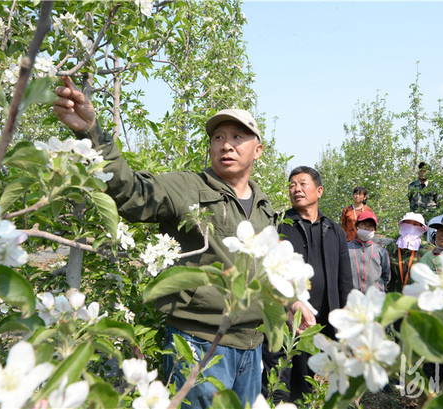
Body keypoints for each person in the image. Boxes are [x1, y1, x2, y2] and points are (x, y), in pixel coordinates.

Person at [53, 76, 277, 408]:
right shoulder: (190, 187)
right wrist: (92, 134)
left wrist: (290, 301)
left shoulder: (266, 208)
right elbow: (132, 191)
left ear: (257, 150)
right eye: (218, 138)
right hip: (199, 343)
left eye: (237, 137)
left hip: (251, 346)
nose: (226, 145)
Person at [262, 166, 353, 403]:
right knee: (282, 381)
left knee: (318, 384)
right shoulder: (280, 226)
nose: (296, 189)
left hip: (325, 321)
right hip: (288, 320)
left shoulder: (335, 231)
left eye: (303, 184)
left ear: (319, 190)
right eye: (292, 185)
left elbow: (345, 281)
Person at [347, 212, 390, 293]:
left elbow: (386, 275)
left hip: (374, 298)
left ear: (374, 229)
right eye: (363, 224)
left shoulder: (380, 250)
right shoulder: (346, 248)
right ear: (357, 226)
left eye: (370, 226)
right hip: (351, 297)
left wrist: (379, 288)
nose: (367, 228)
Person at [386, 212, 428, 293]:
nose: (411, 226)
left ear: (421, 227)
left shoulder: (427, 249)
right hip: (394, 295)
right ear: (402, 224)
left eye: (415, 224)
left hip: (418, 296)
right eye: (408, 223)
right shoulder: (391, 247)